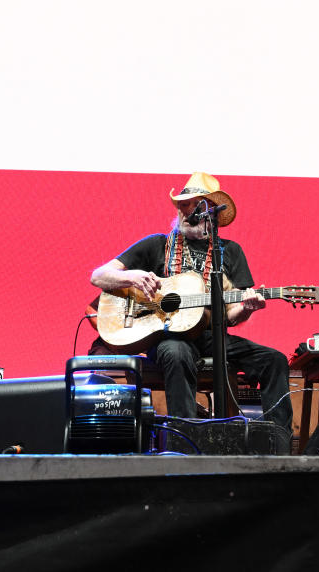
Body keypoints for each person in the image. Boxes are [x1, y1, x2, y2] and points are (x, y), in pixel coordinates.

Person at [90, 172, 293, 445]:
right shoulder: (157, 244)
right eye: (182, 205)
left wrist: (247, 308)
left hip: (212, 335)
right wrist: (133, 277)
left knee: (274, 360)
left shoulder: (229, 251)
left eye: (193, 204)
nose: (185, 211)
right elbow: (99, 276)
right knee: (176, 352)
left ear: (211, 210)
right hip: (167, 335)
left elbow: (231, 315)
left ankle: (276, 443)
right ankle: (185, 442)